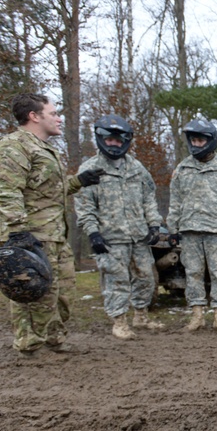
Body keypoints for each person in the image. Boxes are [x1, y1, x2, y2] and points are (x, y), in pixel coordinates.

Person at [0, 92, 102, 356]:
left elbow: (46, 190)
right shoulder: (14, 145)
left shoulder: (44, 148)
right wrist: (18, 233)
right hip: (29, 236)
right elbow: (5, 191)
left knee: (63, 294)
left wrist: (78, 181)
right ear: (34, 116)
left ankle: (54, 339)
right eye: (53, 113)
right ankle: (30, 344)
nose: (59, 118)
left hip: (55, 235)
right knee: (31, 292)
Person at [74, 115, 165, 340]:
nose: (114, 144)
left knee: (146, 277)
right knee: (116, 280)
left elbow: (148, 199)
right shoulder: (90, 169)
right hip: (110, 238)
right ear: (101, 139)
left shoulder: (137, 168)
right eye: (109, 139)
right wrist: (93, 233)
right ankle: (119, 321)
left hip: (138, 236)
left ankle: (141, 315)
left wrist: (154, 225)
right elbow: (85, 207)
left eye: (118, 140)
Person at [166, 118, 217, 333]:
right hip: (189, 231)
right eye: (194, 140)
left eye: (201, 140)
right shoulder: (182, 169)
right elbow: (176, 201)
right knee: (193, 274)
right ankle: (197, 315)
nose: (197, 144)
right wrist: (173, 229)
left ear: (210, 141)